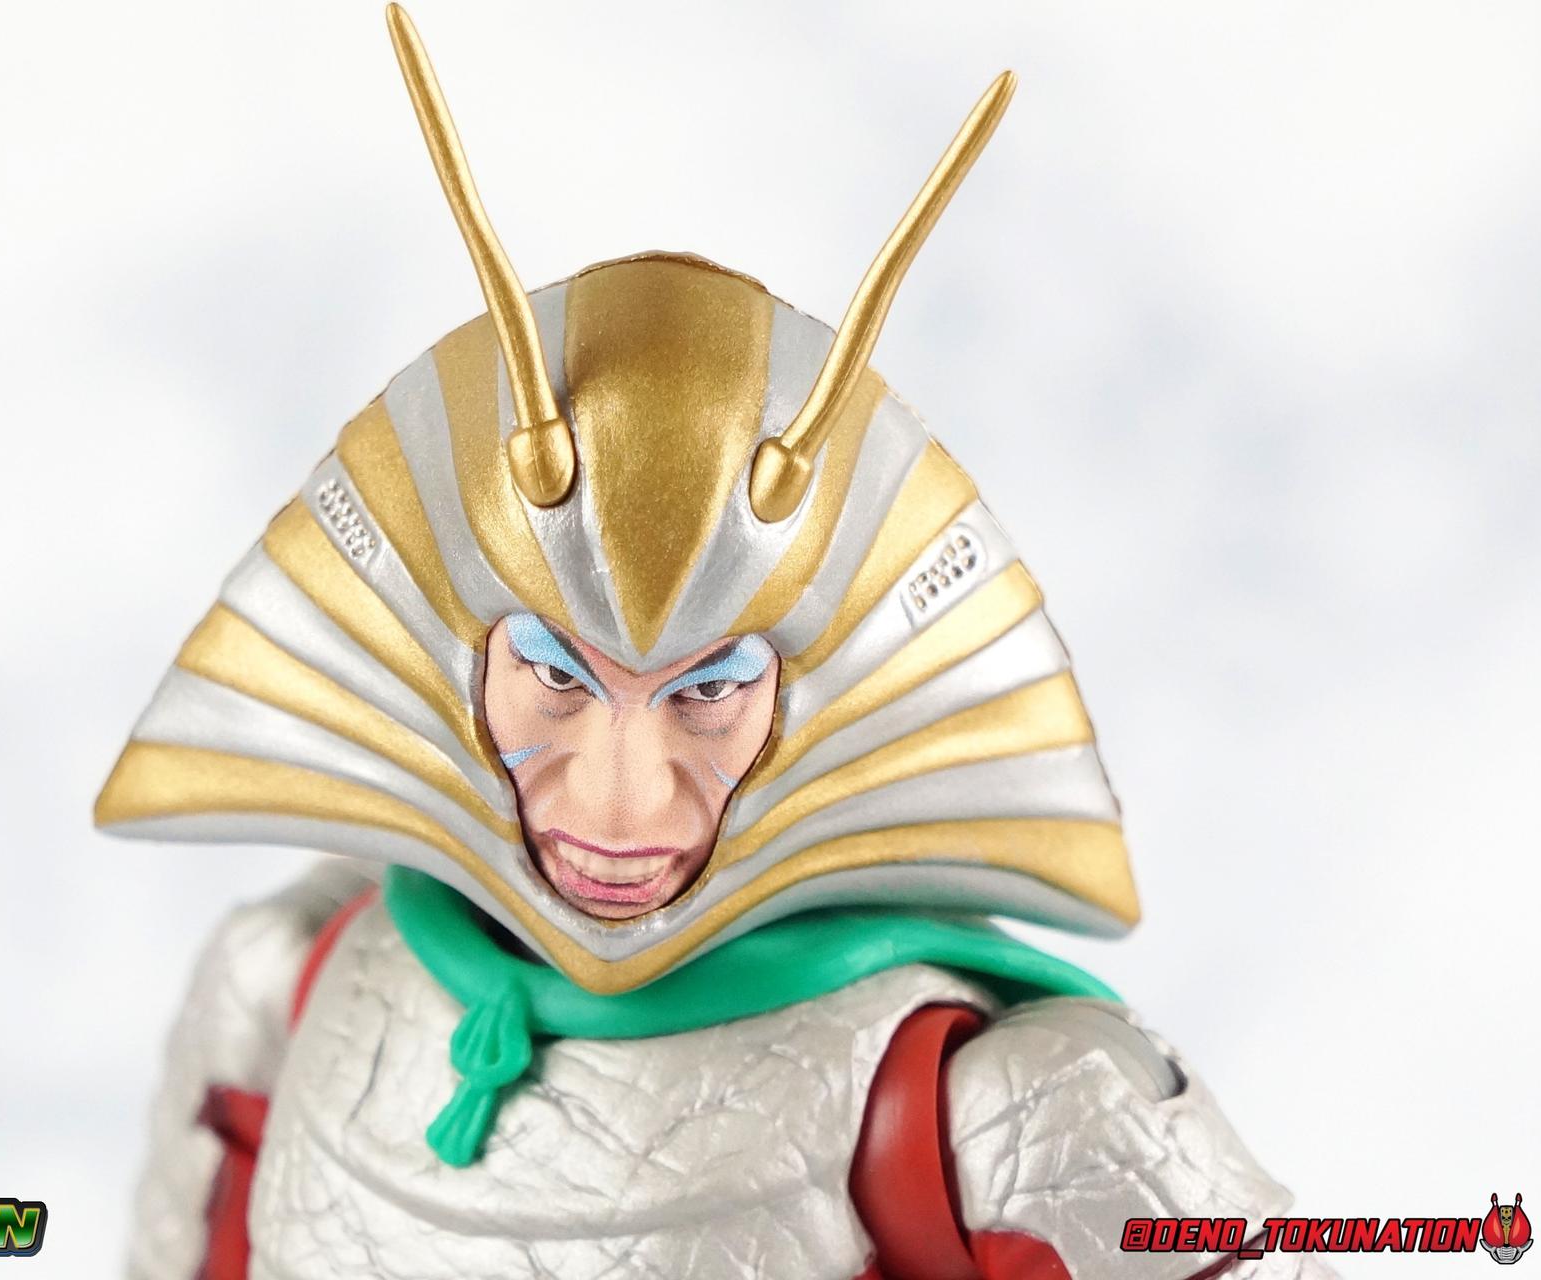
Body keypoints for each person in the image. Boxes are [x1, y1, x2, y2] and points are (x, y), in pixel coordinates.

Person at [95, 8, 1333, 1277]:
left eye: (709, 689)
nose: (618, 806)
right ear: (459, 648)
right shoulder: (285, 980)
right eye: (557, 675)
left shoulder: (1011, 1106)